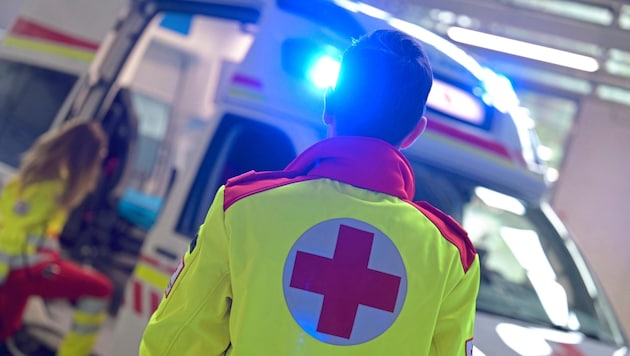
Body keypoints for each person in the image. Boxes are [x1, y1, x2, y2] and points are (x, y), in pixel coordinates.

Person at [140, 29, 480, 355]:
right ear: (415, 132)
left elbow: (172, 345)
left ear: (329, 103)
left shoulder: (244, 208)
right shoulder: (451, 256)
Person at [0, 119, 113, 356]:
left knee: (6, 329)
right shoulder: (55, 187)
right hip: (24, 270)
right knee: (100, 288)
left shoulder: (29, 179)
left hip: (16, 270)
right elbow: (17, 237)